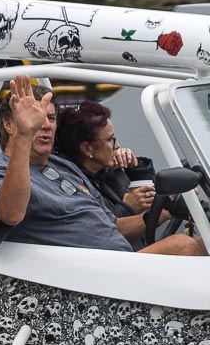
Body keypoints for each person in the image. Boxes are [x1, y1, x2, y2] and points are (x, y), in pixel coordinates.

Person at [0, 73, 204, 256]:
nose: (45, 125)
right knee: (183, 246)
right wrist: (24, 136)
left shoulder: (62, 166)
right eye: (35, 118)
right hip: (84, 283)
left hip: (120, 263)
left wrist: (164, 210)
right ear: (10, 125)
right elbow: (9, 215)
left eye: (50, 118)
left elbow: (112, 226)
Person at [54, 99, 156, 247]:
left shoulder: (109, 172)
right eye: (110, 140)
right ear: (87, 148)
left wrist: (135, 168)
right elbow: (96, 231)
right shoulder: (70, 185)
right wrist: (127, 207)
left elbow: (152, 199)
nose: (117, 146)